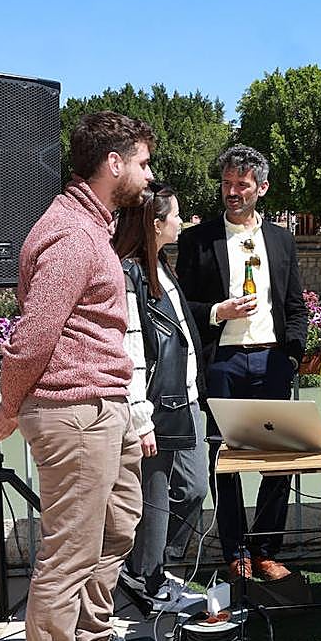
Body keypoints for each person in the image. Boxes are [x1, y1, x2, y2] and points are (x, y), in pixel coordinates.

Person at [0, 111, 155, 641]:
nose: (147, 174)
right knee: (69, 552)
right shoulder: (72, 235)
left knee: (118, 527)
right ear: (114, 164)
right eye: (142, 162)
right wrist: (8, 407)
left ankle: (89, 637)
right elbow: (33, 336)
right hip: (75, 412)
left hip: (104, 409)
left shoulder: (91, 228)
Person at [176, 145, 308, 582]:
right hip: (223, 363)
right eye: (227, 183)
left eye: (242, 185)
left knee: (280, 458)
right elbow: (182, 306)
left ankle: (267, 548)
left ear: (261, 189)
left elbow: (294, 305)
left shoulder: (282, 240)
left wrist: (290, 356)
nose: (232, 192)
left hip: (272, 361)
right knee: (223, 460)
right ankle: (235, 552)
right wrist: (219, 312)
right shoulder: (198, 240)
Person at [113, 183, 209, 617]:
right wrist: (141, 417)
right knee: (154, 497)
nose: (182, 222)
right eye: (176, 215)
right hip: (157, 406)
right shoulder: (131, 273)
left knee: (193, 487)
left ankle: (143, 568)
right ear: (155, 224)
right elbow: (132, 350)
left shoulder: (162, 268)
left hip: (184, 400)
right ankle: (147, 576)